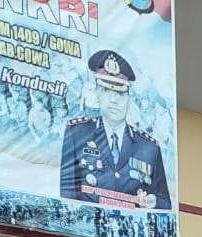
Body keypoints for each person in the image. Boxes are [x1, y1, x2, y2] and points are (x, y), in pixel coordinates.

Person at [59, 50, 171, 211]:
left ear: (129, 97)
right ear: (97, 93)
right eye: (106, 90)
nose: (113, 100)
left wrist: (153, 202)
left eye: (119, 92)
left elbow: (165, 204)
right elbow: (67, 192)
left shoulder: (149, 147)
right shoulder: (77, 133)